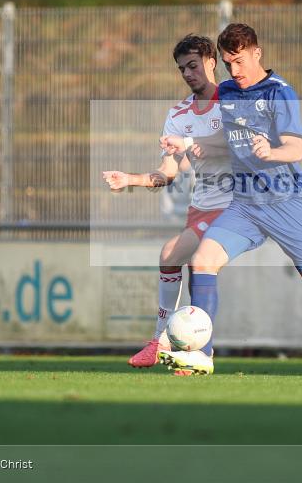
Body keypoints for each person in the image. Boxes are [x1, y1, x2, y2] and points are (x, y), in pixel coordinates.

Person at [158, 23, 302, 375]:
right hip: (244, 205)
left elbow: (296, 147)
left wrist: (272, 152)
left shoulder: (280, 92)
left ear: (257, 54)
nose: (234, 70)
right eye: (228, 63)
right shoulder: (228, 91)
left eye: (239, 61)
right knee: (201, 261)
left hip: (285, 202)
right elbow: (226, 140)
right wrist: (188, 143)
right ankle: (203, 353)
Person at [102, 35, 231, 371]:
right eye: (182, 68)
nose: (188, 73)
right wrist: (130, 179)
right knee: (184, 263)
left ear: (211, 62)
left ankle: (165, 342)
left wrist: (190, 142)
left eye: (193, 65)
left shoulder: (232, 100)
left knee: (176, 254)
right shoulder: (178, 114)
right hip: (202, 208)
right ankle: (188, 350)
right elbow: (168, 172)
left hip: (236, 204)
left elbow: (235, 144)